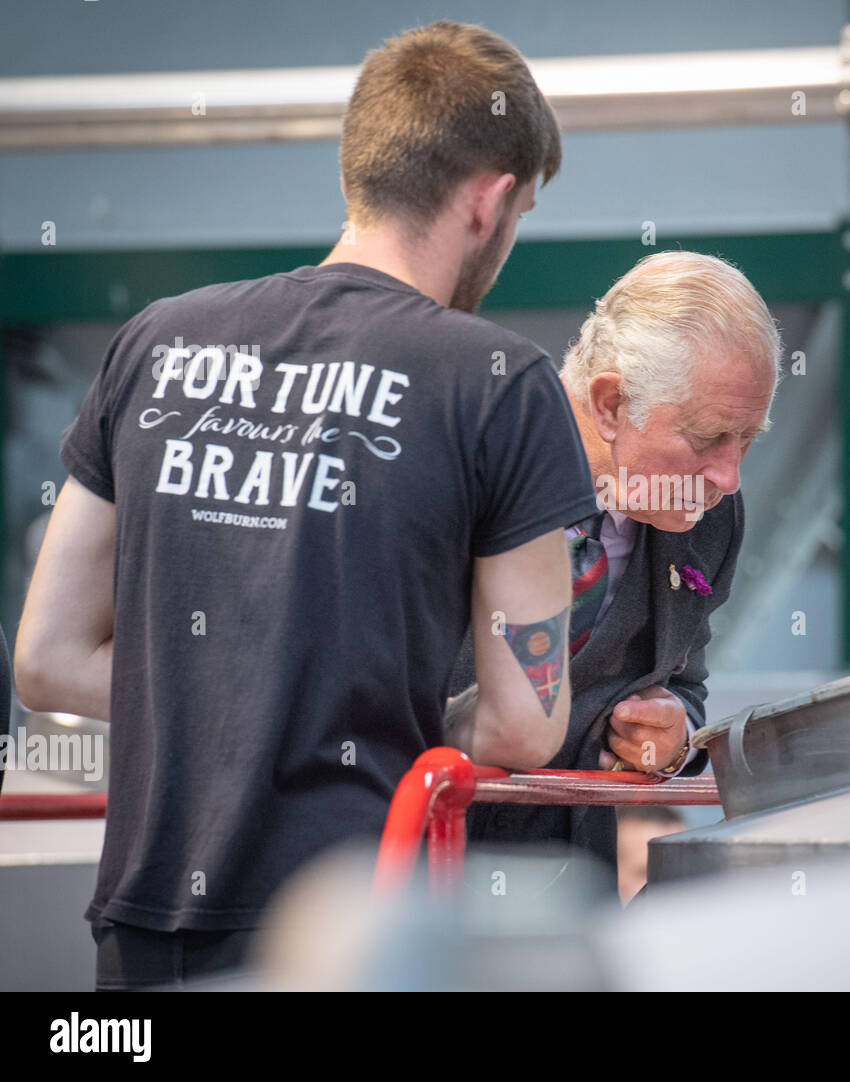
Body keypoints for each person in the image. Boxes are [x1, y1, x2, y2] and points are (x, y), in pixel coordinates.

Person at [13, 21, 595, 989]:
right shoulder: (497, 380)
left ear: (355, 173)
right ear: (490, 201)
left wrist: (224, 700)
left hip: (143, 920)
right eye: (523, 208)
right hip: (346, 934)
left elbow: (46, 657)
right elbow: (524, 723)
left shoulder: (158, 339)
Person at [447, 250, 781, 891]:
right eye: (709, 436)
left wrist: (675, 737)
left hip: (569, 887)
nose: (730, 475)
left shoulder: (710, 518)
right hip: (404, 874)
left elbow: (684, 682)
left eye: (749, 438)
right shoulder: (468, 469)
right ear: (610, 403)